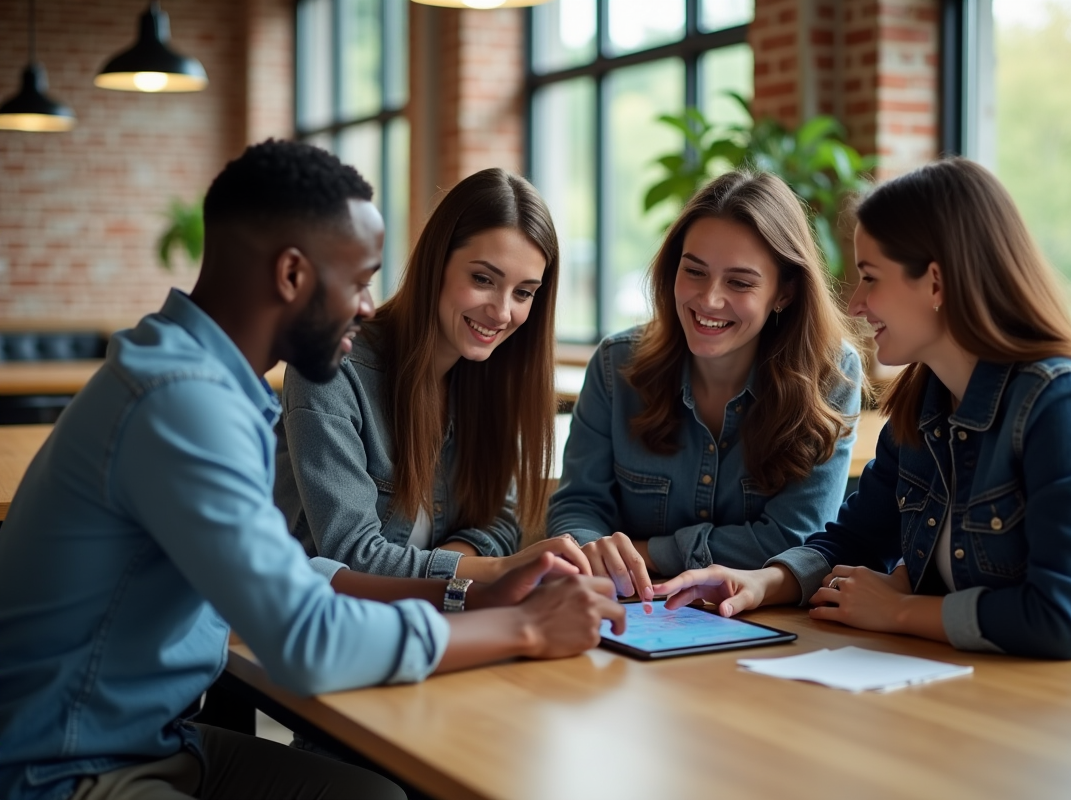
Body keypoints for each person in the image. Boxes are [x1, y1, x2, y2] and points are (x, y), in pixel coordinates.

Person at [0, 140, 625, 800]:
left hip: (158, 739)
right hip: (68, 770)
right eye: (357, 281)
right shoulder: (180, 402)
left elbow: (307, 575)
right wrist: (523, 625)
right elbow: (305, 640)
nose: (367, 306)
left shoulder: (207, 380)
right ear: (293, 275)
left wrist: (472, 594)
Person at [653, 158, 1071, 684]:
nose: (858, 304)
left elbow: (1063, 623)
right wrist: (758, 582)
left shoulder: (1064, 402)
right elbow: (855, 539)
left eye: (870, 277)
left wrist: (901, 611)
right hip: (998, 695)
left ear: (936, 283)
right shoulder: (926, 401)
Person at [547, 170, 864, 606]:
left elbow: (797, 538)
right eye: (694, 271)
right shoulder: (615, 365)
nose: (709, 299)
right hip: (631, 615)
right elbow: (577, 507)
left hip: (768, 626)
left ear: (785, 292)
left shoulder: (832, 374)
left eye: (739, 282)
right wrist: (591, 548)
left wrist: (648, 554)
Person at [275, 167, 587, 584]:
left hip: (435, 621)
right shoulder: (333, 367)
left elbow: (501, 519)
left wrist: (456, 575)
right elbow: (351, 557)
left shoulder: (491, 374)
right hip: (316, 632)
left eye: (524, 293)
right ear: (436, 263)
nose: (502, 312)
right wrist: (492, 572)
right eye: (482, 279)